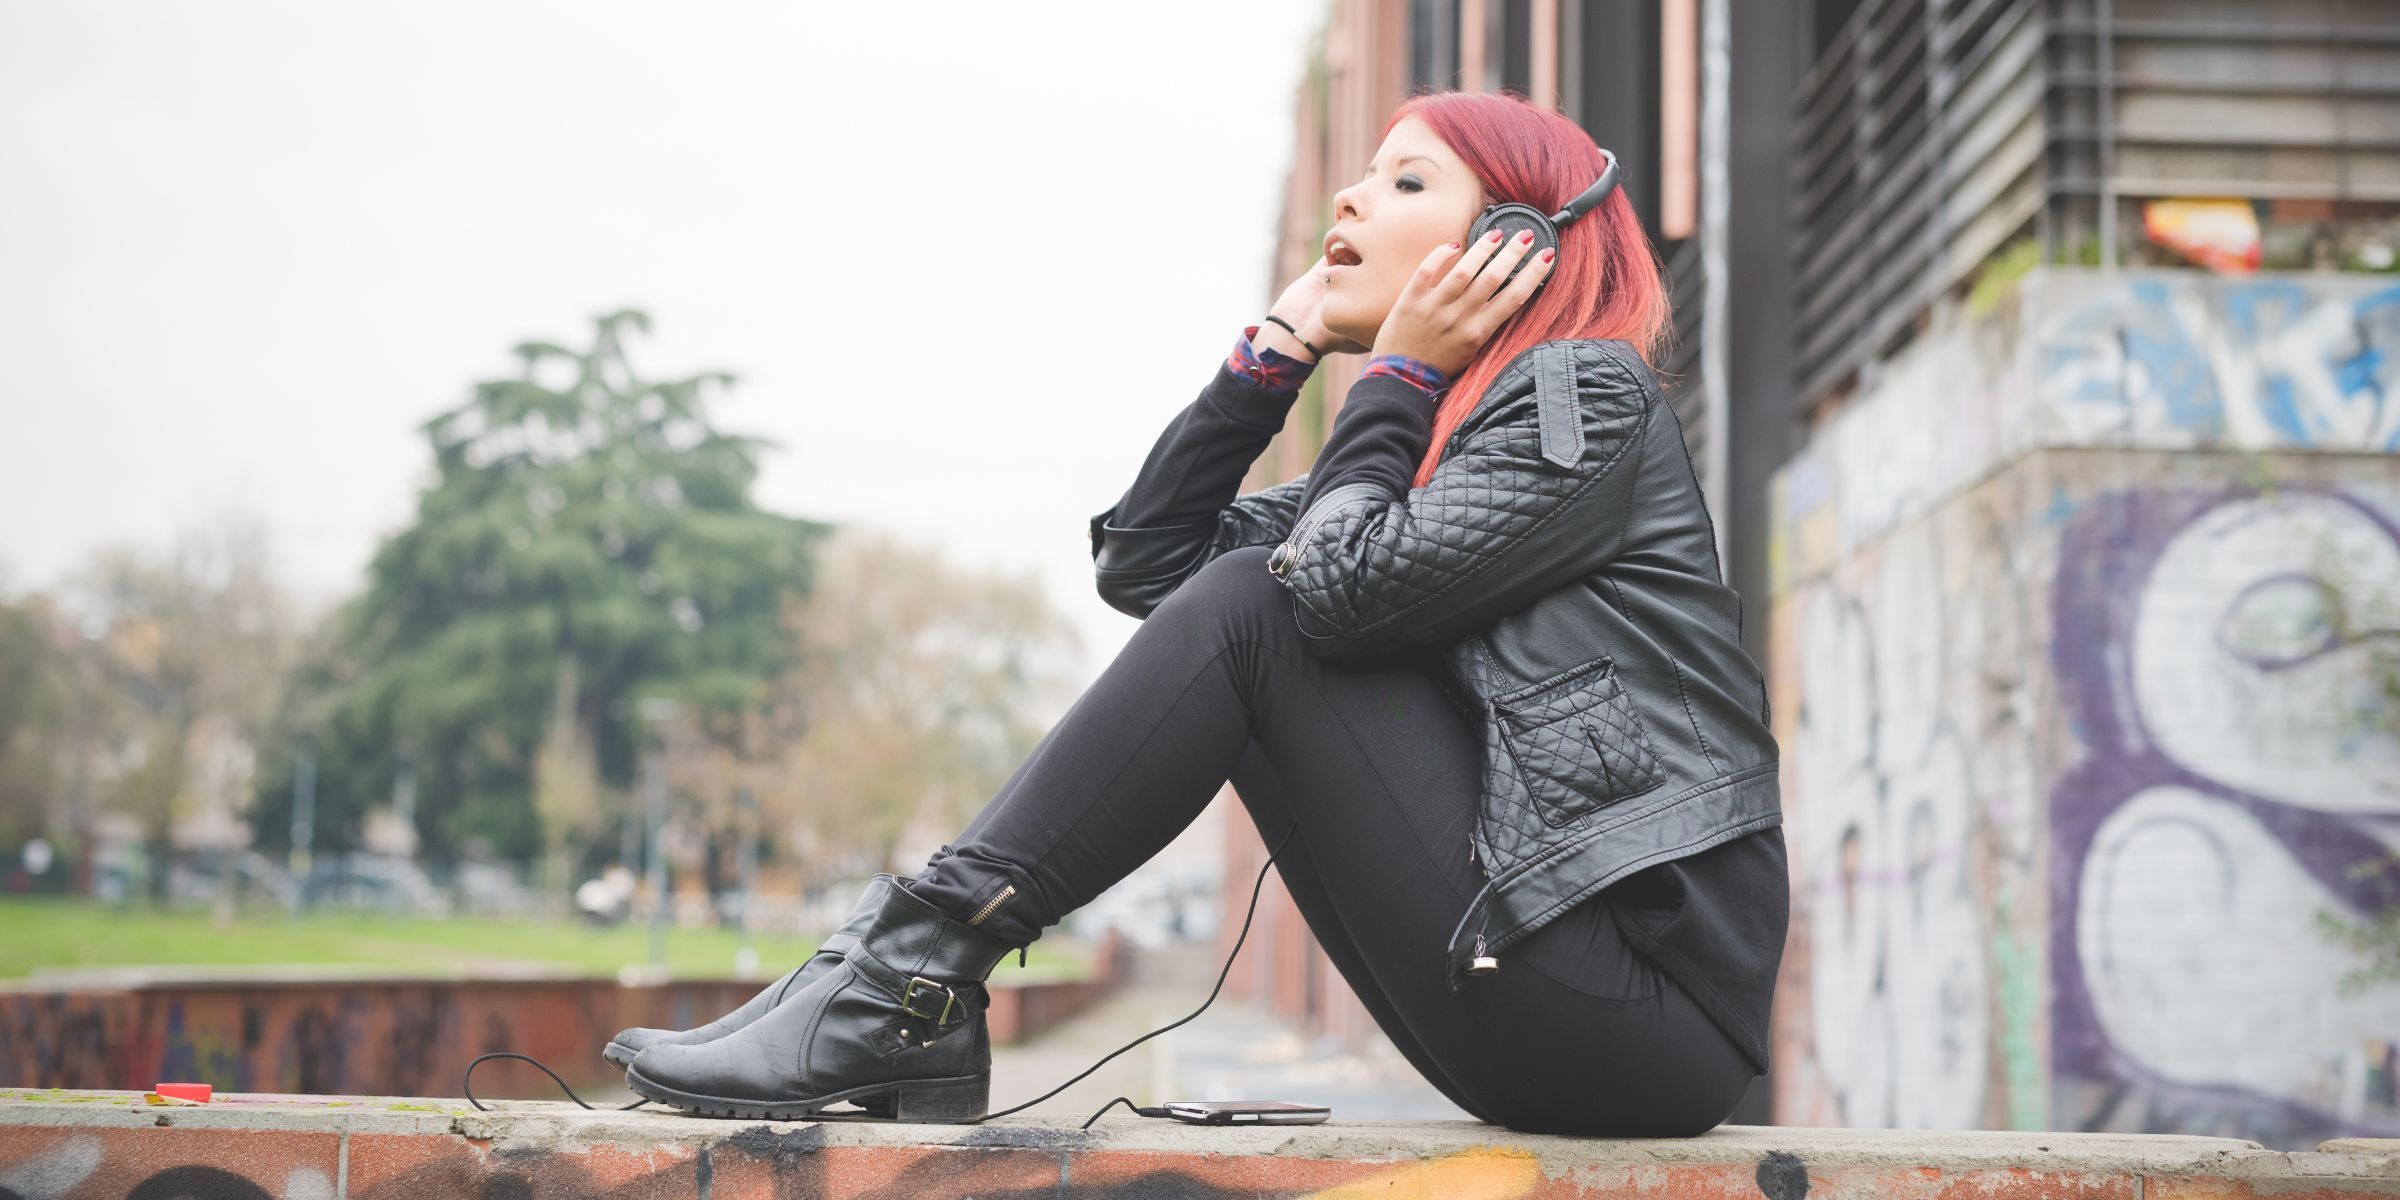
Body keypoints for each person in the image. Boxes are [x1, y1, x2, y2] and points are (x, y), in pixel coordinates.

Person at [609, 89, 1789, 1137]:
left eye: (1407, 180)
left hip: (1645, 1007)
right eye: (1366, 170)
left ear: (1513, 249)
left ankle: (902, 981)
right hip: (1538, 989)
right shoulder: (1430, 451)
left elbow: (1310, 601)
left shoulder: (1580, 390)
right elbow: (1151, 566)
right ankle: (892, 979)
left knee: (1262, 608)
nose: (1354, 193)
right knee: (1240, 600)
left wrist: (1395, 377)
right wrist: (1273, 356)